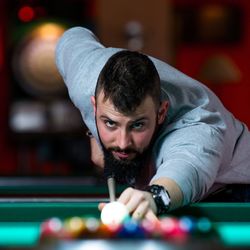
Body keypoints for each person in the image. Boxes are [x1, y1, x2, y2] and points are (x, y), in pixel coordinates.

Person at [56, 27, 250, 221]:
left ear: (161, 112)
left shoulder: (197, 127)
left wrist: (155, 196)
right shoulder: (84, 76)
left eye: (138, 125)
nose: (123, 143)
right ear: (94, 107)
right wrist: (93, 130)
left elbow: (188, 166)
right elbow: (73, 36)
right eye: (111, 123)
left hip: (232, 193)